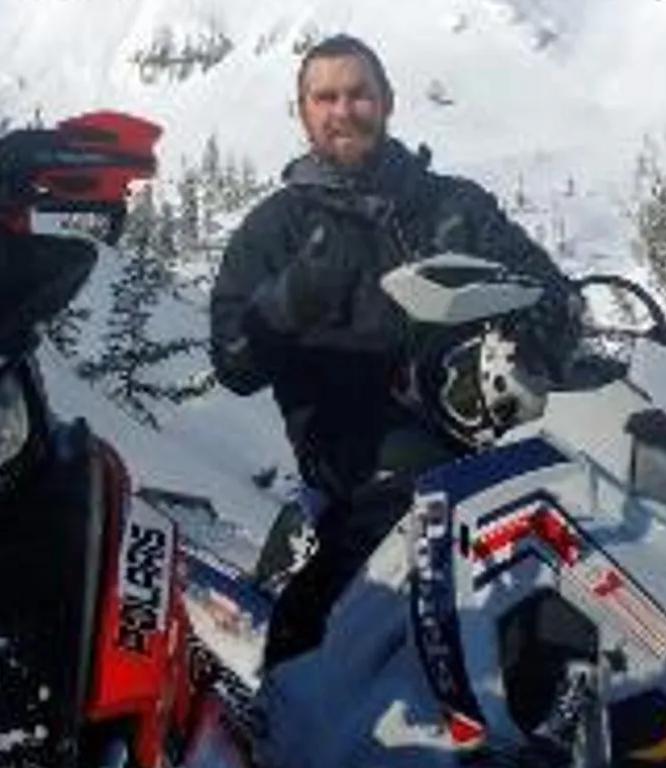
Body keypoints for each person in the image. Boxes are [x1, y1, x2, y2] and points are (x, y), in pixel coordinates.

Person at [210, 34, 576, 666]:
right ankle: (297, 684)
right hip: (357, 450)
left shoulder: (454, 205)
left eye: (358, 94)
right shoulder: (277, 228)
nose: (343, 110)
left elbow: (551, 291)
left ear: (386, 102)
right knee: (402, 504)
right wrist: (290, 299)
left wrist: (539, 325)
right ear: (303, 112)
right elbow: (233, 361)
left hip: (496, 425)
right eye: (325, 97)